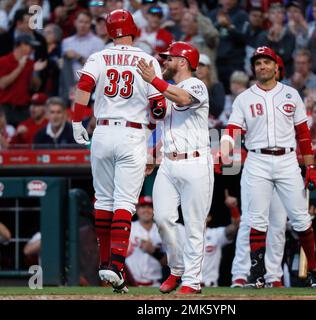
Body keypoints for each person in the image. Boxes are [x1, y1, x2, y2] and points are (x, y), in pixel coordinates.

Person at [71, 9, 167, 294]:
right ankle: (115, 265)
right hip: (132, 133)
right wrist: (153, 126)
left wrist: (77, 120)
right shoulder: (147, 60)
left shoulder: (98, 57)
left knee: (103, 199)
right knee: (125, 201)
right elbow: (159, 107)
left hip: (101, 131)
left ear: (110, 31)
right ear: (133, 30)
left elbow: (83, 88)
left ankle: (106, 265)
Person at [219, 46, 316, 289]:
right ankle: (256, 273)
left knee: (300, 219)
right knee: (255, 221)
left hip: (287, 160)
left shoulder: (291, 94)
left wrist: (311, 166)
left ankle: (314, 270)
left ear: (276, 67)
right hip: (257, 159)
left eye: (266, 62)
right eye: (258, 63)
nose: (262, 67)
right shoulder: (244, 98)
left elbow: (303, 134)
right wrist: (225, 146)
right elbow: (233, 129)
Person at [137, 41, 214, 294]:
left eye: (169, 58)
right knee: (162, 219)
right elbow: (167, 129)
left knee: (194, 224)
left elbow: (182, 98)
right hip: (169, 162)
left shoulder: (195, 84)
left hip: (195, 161)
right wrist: (154, 154)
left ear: (183, 61)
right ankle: (177, 268)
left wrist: (154, 82)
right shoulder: (167, 90)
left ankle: (192, 280)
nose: (164, 63)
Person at [0, 34, 47, 126]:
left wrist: (34, 72)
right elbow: (2, 84)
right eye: (31, 46)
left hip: (24, 109)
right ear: (21, 45)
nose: (33, 49)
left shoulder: (30, 63)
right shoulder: (3, 61)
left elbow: (35, 87)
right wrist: (20, 67)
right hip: (5, 108)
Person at [60, 11, 105, 104]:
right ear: (75, 22)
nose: (83, 25)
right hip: (68, 84)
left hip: (88, 85)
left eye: (86, 22)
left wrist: (78, 56)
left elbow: (98, 67)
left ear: (90, 24)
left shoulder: (98, 42)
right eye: (81, 22)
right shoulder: (66, 42)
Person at [126, 196, 167, 287]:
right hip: (130, 283)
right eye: (143, 207)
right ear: (136, 210)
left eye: (150, 207)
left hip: (155, 284)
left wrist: (154, 252)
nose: (146, 210)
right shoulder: (129, 227)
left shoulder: (162, 231)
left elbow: (168, 263)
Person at [195, 54, 225, 128]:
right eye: (197, 66)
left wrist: (203, 90)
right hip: (194, 127)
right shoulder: (189, 86)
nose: (199, 69)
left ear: (208, 68)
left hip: (212, 128)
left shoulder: (217, 86)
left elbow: (218, 110)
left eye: (202, 65)